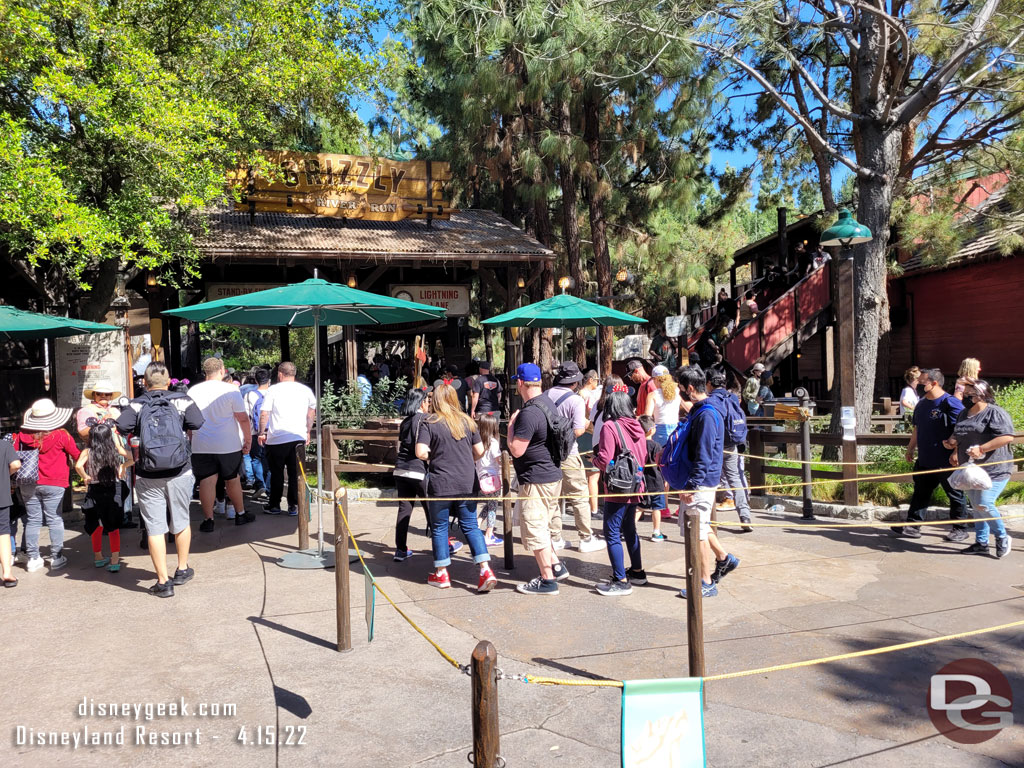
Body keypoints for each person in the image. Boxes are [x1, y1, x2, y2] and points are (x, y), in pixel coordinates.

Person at [115, 362, 205, 597]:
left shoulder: (136, 404)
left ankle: (163, 582)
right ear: (169, 381)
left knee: (155, 527)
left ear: (144, 383)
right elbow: (197, 422)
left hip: (147, 472)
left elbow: (121, 427)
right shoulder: (182, 400)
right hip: (180, 470)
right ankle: (183, 568)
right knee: (181, 519)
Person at [415, 382, 496, 592]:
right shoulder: (468, 422)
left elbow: (420, 452)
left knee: (440, 527)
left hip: (441, 482)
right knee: (470, 525)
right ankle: (485, 569)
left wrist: (437, 456)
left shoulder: (429, 422)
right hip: (467, 481)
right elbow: (479, 450)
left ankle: (441, 573)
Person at [674, 366, 740, 599]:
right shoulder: (703, 410)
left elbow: (703, 454)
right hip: (702, 478)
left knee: (697, 532)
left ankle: (705, 582)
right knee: (699, 525)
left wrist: (691, 486)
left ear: (690, 388)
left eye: (681, 388)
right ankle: (724, 558)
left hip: (701, 481)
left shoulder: (706, 414)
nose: (680, 392)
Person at [507, 363, 570, 595]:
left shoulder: (528, 413)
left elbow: (516, 449)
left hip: (536, 479)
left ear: (520, 383)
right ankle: (555, 565)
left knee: (535, 528)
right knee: (542, 525)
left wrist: (512, 427)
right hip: (552, 475)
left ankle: (547, 580)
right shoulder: (548, 404)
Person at [892, 369, 969, 541]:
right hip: (926, 459)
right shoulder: (921, 404)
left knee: (955, 494)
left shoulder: (950, 403)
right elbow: (917, 429)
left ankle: (960, 528)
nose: (917, 385)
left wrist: (956, 451)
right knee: (921, 492)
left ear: (934, 383)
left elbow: (963, 429)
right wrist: (911, 448)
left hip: (947, 460)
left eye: (921, 382)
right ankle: (913, 526)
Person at [946, 379, 1015, 558]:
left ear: (980, 395)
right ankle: (981, 542)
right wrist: (952, 445)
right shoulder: (963, 414)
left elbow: (1007, 437)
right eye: (963, 393)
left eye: (968, 394)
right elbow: (958, 433)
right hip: (970, 470)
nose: (963, 397)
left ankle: (1002, 536)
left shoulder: (995, 413)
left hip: (995, 469)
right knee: (976, 507)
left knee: (984, 503)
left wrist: (982, 448)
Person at [592, 385, 648, 595]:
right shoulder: (637, 425)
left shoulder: (609, 426)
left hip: (618, 486)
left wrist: (595, 460)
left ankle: (620, 580)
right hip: (636, 483)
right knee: (629, 529)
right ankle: (637, 571)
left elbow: (605, 459)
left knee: (611, 531)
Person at [15, 399, 80, 572]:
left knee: (33, 520)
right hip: (54, 482)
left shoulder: (22, 436)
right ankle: (56, 557)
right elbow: (76, 454)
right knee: (54, 518)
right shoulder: (61, 435)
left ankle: (33, 558)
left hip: (28, 482)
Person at [189, 357, 253, 531]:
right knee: (232, 479)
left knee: (206, 481)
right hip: (228, 444)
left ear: (205, 372)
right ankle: (240, 513)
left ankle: (208, 519)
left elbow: (189, 420)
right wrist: (248, 439)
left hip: (201, 443)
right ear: (222, 370)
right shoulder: (231, 390)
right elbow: (242, 418)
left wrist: (191, 439)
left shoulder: (193, 391)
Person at [546, 362, 603, 553]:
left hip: (548, 453)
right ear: (576, 381)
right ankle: (585, 538)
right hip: (568, 453)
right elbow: (578, 430)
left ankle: (555, 537)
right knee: (579, 496)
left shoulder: (545, 396)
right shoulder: (575, 400)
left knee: (553, 497)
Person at [259, 361, 317, 516]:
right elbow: (311, 412)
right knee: (295, 473)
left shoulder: (273, 390)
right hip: (297, 437)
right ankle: (294, 505)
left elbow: (264, 413)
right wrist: (307, 431)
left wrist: (261, 432)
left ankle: (275, 505)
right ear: (294, 373)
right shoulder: (305, 390)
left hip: (276, 438)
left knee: (276, 472)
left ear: (279, 373)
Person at [74, 423, 131, 572]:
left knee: (96, 524)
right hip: (113, 489)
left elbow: (78, 466)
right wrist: (123, 467)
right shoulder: (115, 449)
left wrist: (86, 477)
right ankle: (114, 560)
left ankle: (98, 557)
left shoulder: (88, 451)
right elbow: (132, 458)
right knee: (113, 526)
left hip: (95, 489)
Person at [706, 368, 753, 530]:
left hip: (715, 446)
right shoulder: (732, 397)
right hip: (732, 444)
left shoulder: (710, 401)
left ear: (709, 384)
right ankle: (745, 516)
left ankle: (708, 519)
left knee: (709, 481)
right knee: (735, 479)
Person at [393, 387, 432, 561]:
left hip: (400, 469)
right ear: (422, 402)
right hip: (418, 470)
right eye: (427, 400)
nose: (429, 403)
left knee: (404, 510)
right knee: (432, 507)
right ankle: (443, 544)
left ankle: (400, 550)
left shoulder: (405, 422)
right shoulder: (425, 420)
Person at [637, 414, 667, 542]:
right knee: (657, 508)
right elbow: (661, 464)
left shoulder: (637, 445)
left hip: (641, 482)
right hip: (655, 481)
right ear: (652, 430)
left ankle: (630, 530)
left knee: (639, 507)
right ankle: (656, 532)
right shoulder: (656, 446)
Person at [475, 413, 503, 546]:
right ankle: (489, 534)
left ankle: (477, 523)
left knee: (489, 504)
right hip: (493, 478)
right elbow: (499, 460)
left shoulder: (477, 441)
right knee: (493, 506)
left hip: (480, 477)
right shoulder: (493, 442)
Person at [242, 368, 271, 498]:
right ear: (269, 381)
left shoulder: (249, 395)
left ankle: (260, 485)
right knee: (269, 460)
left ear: (256, 381)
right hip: (271, 432)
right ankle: (270, 488)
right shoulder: (273, 393)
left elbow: (246, 415)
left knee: (256, 459)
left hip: (254, 432)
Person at [0, 438, 22, 587]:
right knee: (3, 532)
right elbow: (16, 464)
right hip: (1, 495)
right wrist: (5, 475)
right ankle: (7, 572)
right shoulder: (4, 444)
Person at [644, 367, 681, 447]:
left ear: (656, 379)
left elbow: (647, 417)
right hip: (676, 429)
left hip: (660, 430)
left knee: (660, 457)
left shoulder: (652, 395)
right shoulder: (677, 391)